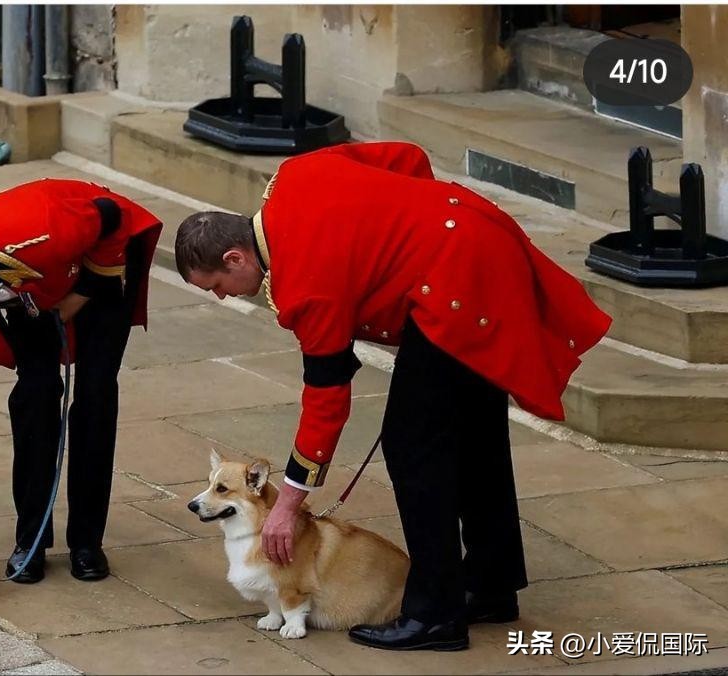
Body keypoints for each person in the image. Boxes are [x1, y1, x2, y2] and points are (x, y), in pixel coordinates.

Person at [173, 141, 611, 651]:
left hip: (454, 286)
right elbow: (406, 158)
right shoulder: (293, 176)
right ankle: (490, 584)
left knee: (412, 447)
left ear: (235, 256)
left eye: (218, 284)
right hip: (476, 236)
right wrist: (415, 230)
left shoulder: (305, 286)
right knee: (474, 433)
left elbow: (327, 402)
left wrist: (286, 505)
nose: (222, 296)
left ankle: (436, 614)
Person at [0, 178, 162, 584]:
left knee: (95, 394)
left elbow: (112, 217)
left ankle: (86, 542)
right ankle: (32, 540)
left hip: (99, 262)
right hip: (33, 290)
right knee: (35, 395)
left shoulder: (46, 233)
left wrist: (79, 297)